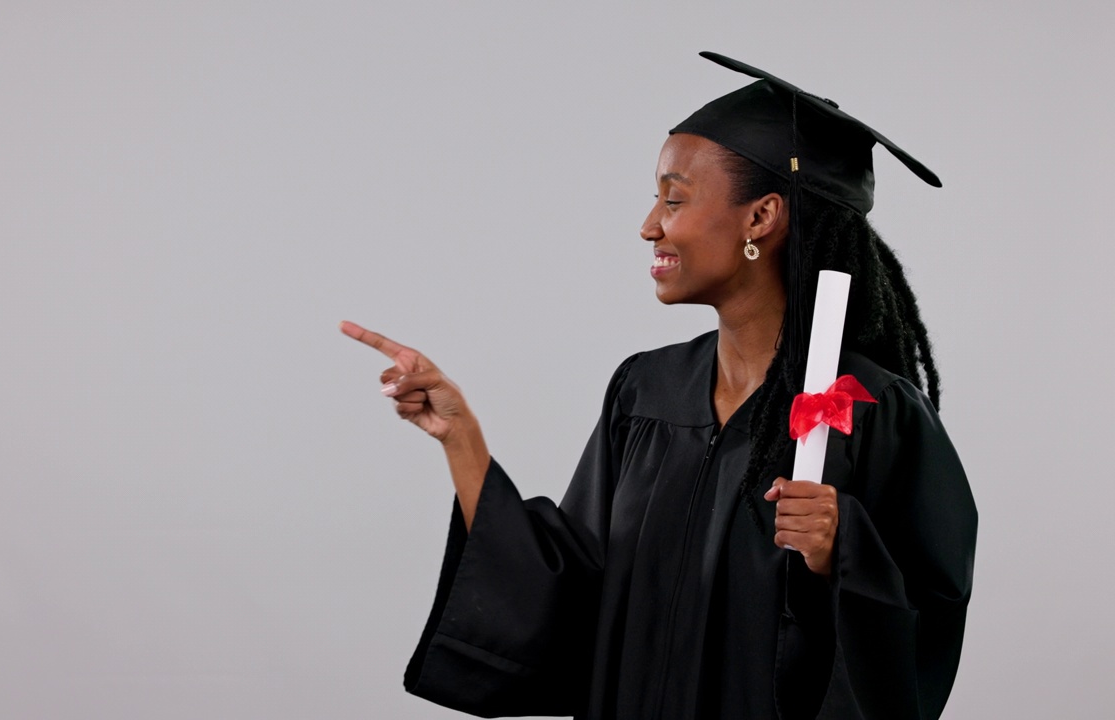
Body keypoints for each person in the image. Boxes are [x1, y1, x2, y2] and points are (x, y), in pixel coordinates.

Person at [341, 52, 977, 720]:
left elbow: (924, 620)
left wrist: (842, 552)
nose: (650, 226)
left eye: (674, 200)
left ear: (761, 218)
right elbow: (573, 582)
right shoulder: (646, 391)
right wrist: (462, 439)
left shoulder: (871, 413)